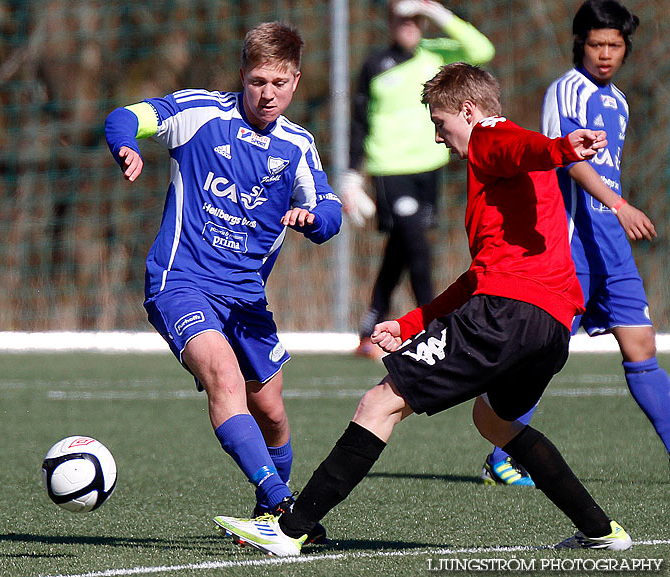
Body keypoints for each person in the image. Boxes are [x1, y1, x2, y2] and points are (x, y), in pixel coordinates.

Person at [212, 62, 632, 556]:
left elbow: (521, 148)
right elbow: (479, 275)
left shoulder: (491, 138)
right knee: (495, 424)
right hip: (552, 327)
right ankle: (603, 532)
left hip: (506, 314)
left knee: (379, 403)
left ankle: (287, 530)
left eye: (440, 122)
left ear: (469, 112)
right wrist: (413, 321)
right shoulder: (508, 177)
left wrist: (561, 149)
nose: (439, 137)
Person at [104, 21, 341, 544]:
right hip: (180, 281)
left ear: (296, 82)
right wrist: (127, 145)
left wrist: (313, 220)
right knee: (224, 380)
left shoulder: (298, 146)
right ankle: (286, 505)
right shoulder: (199, 113)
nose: (267, 93)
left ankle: (264, 512)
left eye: (279, 83)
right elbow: (126, 116)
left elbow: (329, 210)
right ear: (242, 75)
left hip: (247, 298)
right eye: (258, 80)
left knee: (273, 413)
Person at [482, 0, 670, 486]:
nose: (605, 54)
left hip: (611, 246)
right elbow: (568, 160)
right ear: (579, 44)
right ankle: (503, 449)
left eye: (614, 45)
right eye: (596, 44)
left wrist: (616, 213)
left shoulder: (620, 101)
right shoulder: (568, 91)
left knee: (642, 346)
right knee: (546, 350)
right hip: (570, 246)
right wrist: (620, 204)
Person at [342, 0, 494, 360]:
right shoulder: (375, 64)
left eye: (415, 19)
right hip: (390, 171)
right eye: (401, 18)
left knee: (400, 249)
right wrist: (351, 177)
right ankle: (433, 327)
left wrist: (438, 12)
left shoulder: (437, 56)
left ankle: (370, 328)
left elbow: (482, 50)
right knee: (416, 247)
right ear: (391, 22)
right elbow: (359, 122)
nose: (408, 26)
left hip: (429, 170)